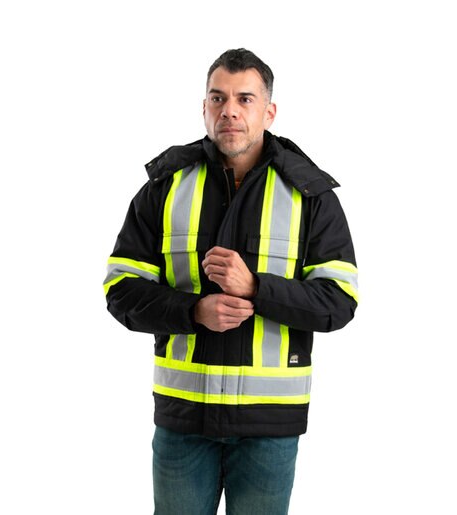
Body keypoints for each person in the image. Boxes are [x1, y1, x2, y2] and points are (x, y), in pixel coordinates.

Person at [104, 48, 358, 515]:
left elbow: (338, 302)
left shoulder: (311, 195)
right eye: (218, 98)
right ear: (204, 107)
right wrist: (193, 311)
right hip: (183, 420)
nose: (230, 111)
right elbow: (120, 289)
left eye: (245, 99)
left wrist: (258, 289)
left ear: (269, 112)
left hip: (269, 428)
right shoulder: (165, 186)